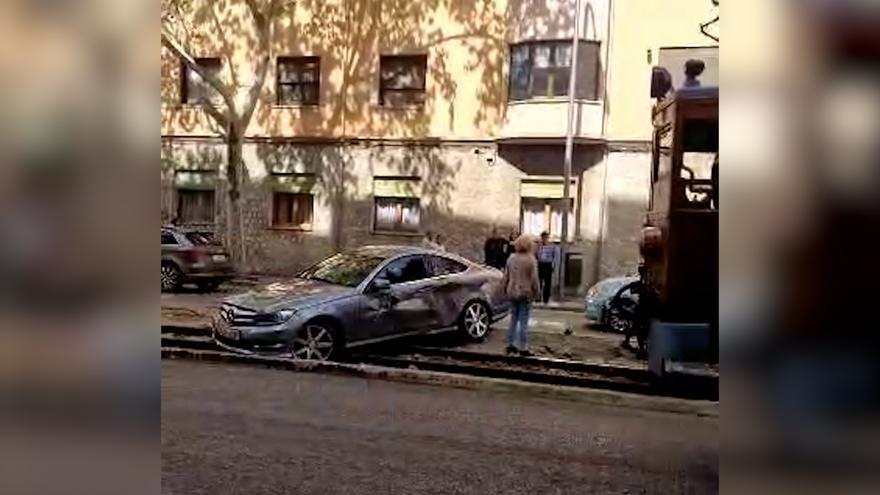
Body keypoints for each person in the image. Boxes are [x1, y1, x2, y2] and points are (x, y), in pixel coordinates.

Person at [502, 234, 540, 356]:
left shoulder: (511, 258)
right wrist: (537, 292)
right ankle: (523, 347)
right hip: (525, 292)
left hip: (512, 291)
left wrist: (504, 289)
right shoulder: (531, 259)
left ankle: (510, 345)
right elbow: (534, 279)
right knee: (523, 320)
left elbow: (506, 276)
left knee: (513, 319)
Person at [535, 231, 558, 304]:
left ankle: (546, 298)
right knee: (539, 282)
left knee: (548, 282)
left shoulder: (552, 246)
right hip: (540, 264)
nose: (544, 239)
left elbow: (555, 256)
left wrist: (553, 265)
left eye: (546, 238)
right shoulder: (538, 246)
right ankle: (538, 297)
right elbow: (536, 255)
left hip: (548, 264)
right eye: (543, 238)